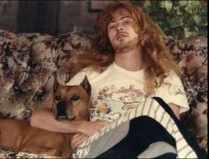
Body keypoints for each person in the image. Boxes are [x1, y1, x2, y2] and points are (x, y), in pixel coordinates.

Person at [30, 2, 206, 158]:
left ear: (142, 32)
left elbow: (171, 130)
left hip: (149, 146)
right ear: (107, 38)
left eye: (126, 22)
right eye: (112, 26)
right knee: (153, 109)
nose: (119, 28)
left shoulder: (165, 77)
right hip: (94, 149)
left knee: (156, 127)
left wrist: (108, 128)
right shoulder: (91, 75)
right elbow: (37, 118)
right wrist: (83, 127)